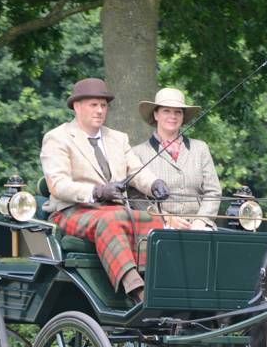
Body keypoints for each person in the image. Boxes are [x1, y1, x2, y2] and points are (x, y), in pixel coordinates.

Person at [41, 77, 170, 302]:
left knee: (158, 223)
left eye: (103, 105)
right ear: (77, 106)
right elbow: (58, 184)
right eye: (93, 105)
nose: (100, 110)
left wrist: (154, 184)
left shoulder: (118, 138)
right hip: (72, 210)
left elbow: (137, 171)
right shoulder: (57, 138)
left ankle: (163, 284)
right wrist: (98, 192)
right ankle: (135, 289)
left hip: (114, 210)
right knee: (112, 220)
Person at [133, 87, 222, 230]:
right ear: (156, 115)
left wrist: (201, 220)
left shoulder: (200, 148)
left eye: (178, 112)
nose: (172, 116)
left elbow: (213, 191)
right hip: (159, 226)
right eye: (166, 111)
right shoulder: (138, 153)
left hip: (199, 226)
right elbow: (136, 198)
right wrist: (165, 218)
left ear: (183, 117)